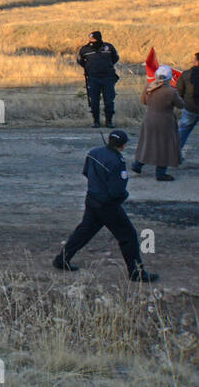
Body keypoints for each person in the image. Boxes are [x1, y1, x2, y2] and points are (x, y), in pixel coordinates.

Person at [53, 129, 159, 282]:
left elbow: (86, 173)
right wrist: (124, 196)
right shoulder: (117, 162)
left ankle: (61, 259)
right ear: (122, 146)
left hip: (91, 199)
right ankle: (136, 272)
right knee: (128, 236)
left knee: (84, 232)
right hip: (107, 205)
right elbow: (117, 191)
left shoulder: (93, 152)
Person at [131, 66, 182, 181]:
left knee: (148, 143)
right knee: (164, 146)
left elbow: (143, 101)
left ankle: (137, 165)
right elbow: (180, 105)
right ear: (169, 78)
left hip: (149, 119)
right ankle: (160, 173)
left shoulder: (149, 87)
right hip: (165, 121)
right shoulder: (171, 91)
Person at [77, 31, 120, 128]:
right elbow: (80, 61)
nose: (91, 40)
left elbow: (115, 58)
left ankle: (109, 121)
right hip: (93, 78)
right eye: (90, 38)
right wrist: (89, 68)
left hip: (108, 77)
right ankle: (96, 121)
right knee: (94, 101)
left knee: (109, 100)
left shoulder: (108, 47)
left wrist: (106, 66)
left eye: (93, 38)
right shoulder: (85, 49)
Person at [175, 53, 199, 160]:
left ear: (196, 61)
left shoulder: (186, 74)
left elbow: (179, 91)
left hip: (190, 107)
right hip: (191, 106)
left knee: (183, 131)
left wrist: (184, 101)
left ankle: (174, 155)